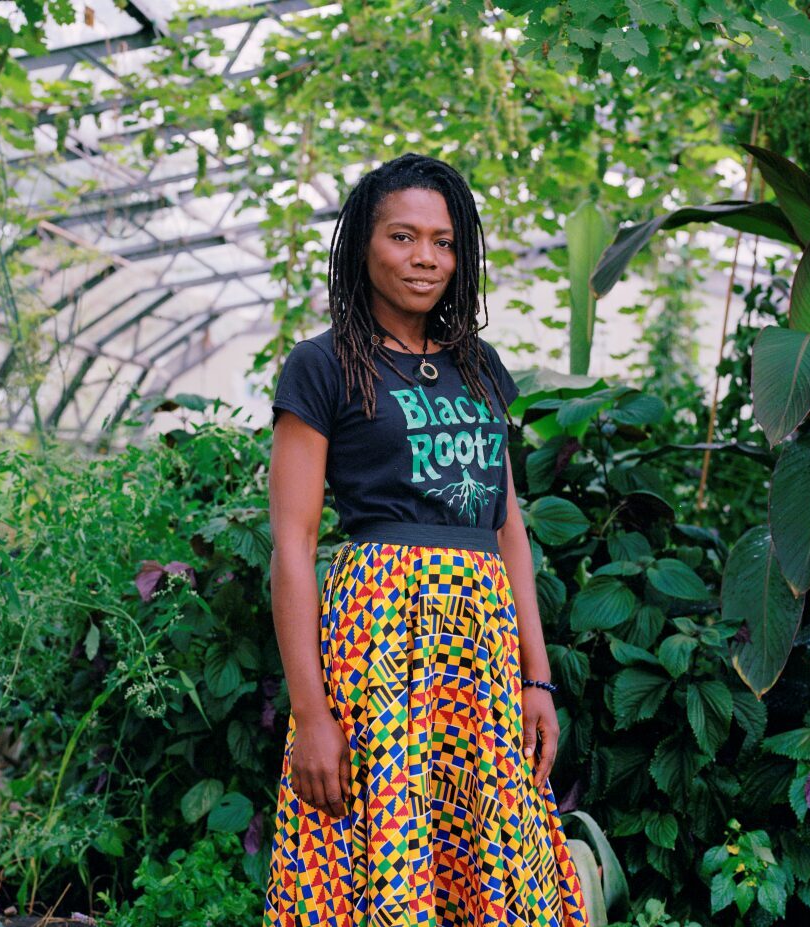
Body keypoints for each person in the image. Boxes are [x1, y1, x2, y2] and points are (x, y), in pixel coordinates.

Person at [261, 153, 589, 927]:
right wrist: (311, 713)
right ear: (362, 247)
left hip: (479, 648)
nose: (425, 259)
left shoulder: (480, 367)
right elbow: (293, 544)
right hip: (379, 644)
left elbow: (507, 526)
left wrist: (536, 681)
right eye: (403, 237)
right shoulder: (323, 365)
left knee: (492, 855)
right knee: (380, 844)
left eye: (442, 242)